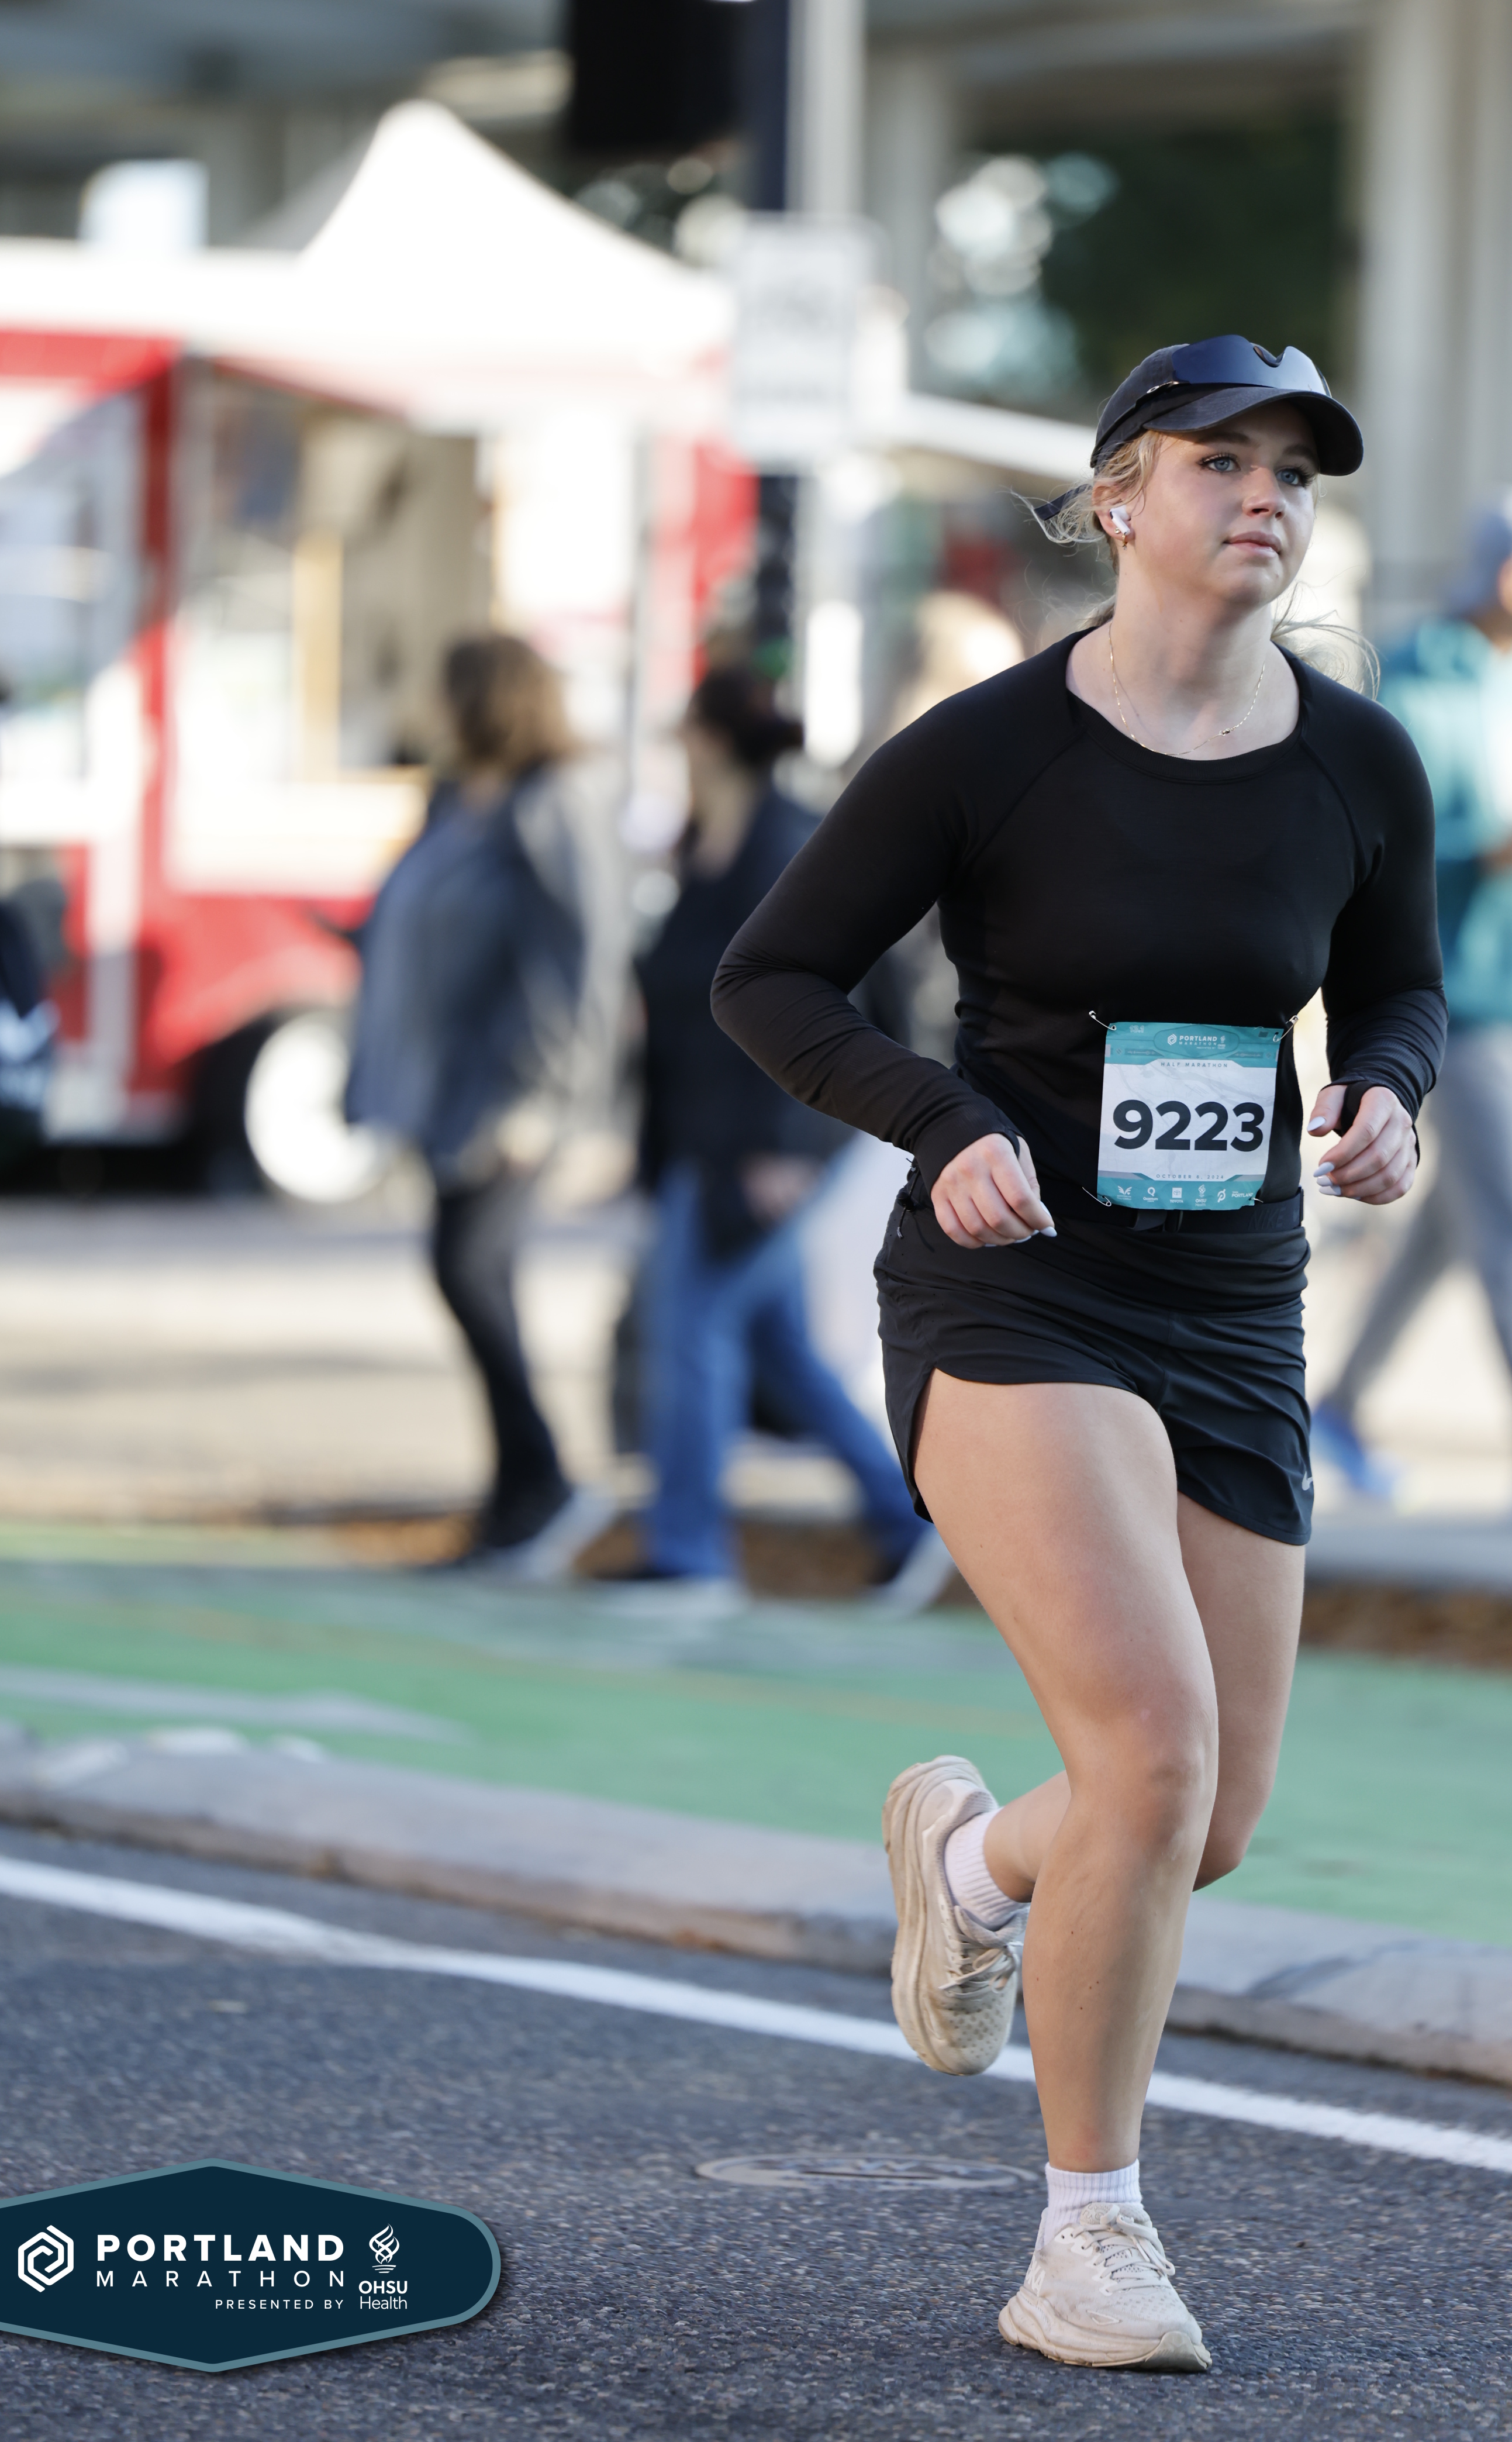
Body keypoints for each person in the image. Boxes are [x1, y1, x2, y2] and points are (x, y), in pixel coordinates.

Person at [713, 336, 1443, 2369]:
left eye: (1295, 471)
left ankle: (968, 1862)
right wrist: (939, 1122)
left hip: (1235, 1304)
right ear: (1118, 497)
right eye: (1221, 459)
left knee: (1202, 1813)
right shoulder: (988, 749)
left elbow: (1395, 988)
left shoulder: (1358, 762)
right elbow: (772, 976)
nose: (1265, 497)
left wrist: (1386, 1093)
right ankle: (1086, 2235)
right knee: (1150, 1750)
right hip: (1018, 1291)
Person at [618, 665, 955, 1616]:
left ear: (710, 739)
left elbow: (819, 1001)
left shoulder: (787, 843)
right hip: (700, 1136)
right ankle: (906, 1521)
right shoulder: (705, 849)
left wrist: (788, 1148)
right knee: (780, 1348)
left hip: (765, 1144)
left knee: (691, 1332)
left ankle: (688, 1552)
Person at [347, 634, 623, 1581]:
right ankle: (517, 1498)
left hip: (509, 1094)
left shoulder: (552, 801)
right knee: (470, 1276)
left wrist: (542, 1099)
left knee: (469, 1269)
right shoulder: (454, 799)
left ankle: (544, 1484)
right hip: (440, 1087)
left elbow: (580, 959)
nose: (433, 710)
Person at [1313, 495, 1512, 1498]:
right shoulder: (1421, 680)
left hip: (1501, 990)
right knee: (1504, 1217)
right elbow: (1402, 855)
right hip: (1454, 1001)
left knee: (1450, 1228)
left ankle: (1342, 1406)